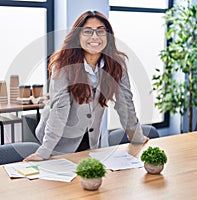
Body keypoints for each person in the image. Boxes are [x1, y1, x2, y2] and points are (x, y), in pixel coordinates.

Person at [24, 10, 148, 161]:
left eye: (100, 31)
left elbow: (125, 104)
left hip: (90, 139)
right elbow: (59, 109)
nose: (95, 37)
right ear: (78, 36)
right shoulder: (63, 64)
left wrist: (137, 138)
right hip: (57, 140)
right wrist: (44, 151)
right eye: (88, 31)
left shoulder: (117, 64)